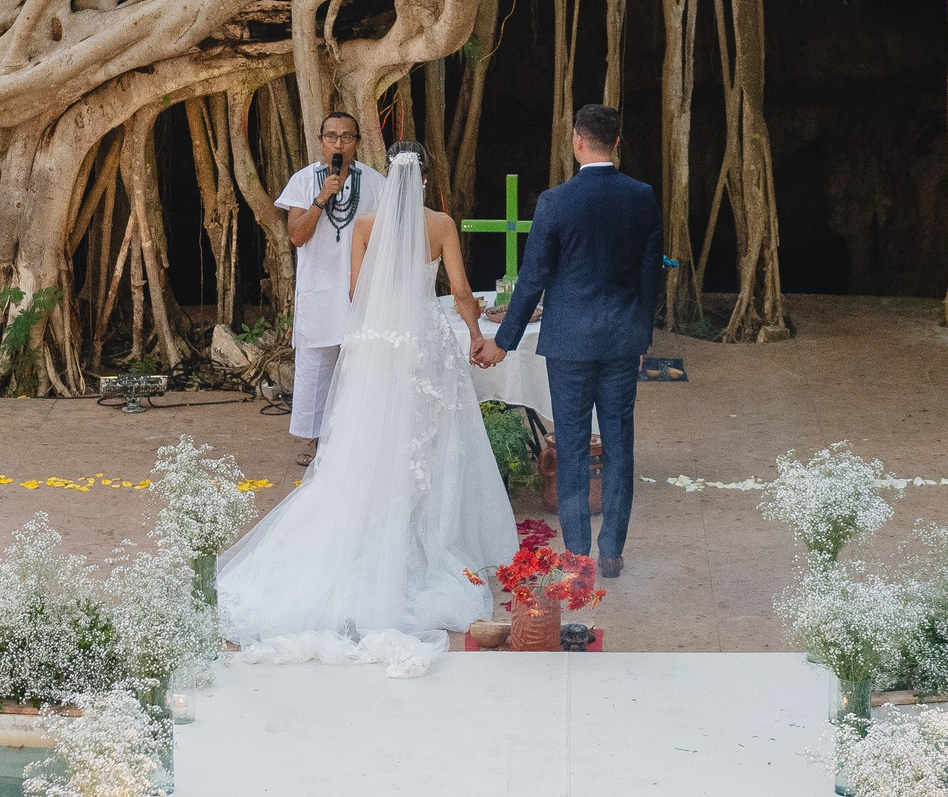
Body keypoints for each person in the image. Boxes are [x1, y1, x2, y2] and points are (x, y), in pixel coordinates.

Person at [216, 143, 516, 671]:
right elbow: (462, 290)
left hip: (379, 344)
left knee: (369, 441)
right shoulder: (441, 223)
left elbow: (357, 290)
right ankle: (418, 542)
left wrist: (373, 335)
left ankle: (369, 536)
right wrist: (473, 331)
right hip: (422, 345)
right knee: (426, 447)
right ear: (423, 176)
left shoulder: (366, 224)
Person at [492, 103, 663, 579]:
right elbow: (650, 277)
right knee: (619, 443)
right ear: (617, 143)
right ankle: (611, 552)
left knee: (569, 446)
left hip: (568, 343)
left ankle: (577, 556)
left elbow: (531, 281)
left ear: (577, 141)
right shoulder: (642, 196)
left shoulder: (554, 202)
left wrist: (503, 342)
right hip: (622, 341)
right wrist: (642, 335)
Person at [270, 110, 386, 466]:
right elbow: (296, 236)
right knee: (317, 365)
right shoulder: (304, 181)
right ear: (320, 141)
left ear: (358, 142)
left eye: (346, 137)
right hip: (320, 287)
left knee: (361, 365)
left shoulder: (377, 183)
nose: (338, 143)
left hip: (359, 288)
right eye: (331, 136)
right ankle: (318, 442)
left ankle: (358, 442)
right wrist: (321, 199)